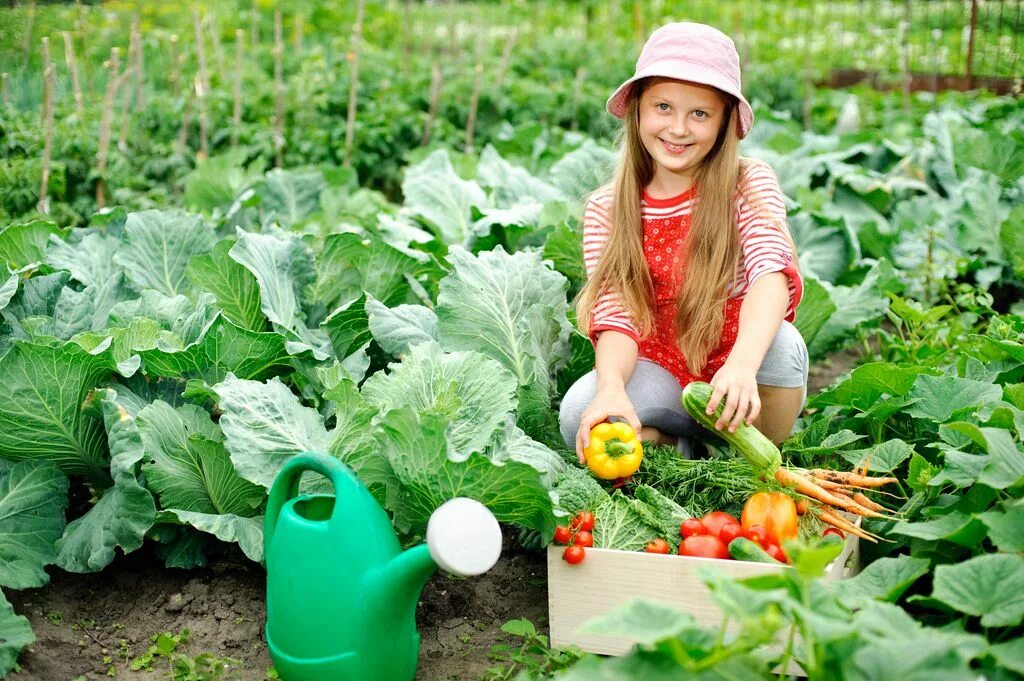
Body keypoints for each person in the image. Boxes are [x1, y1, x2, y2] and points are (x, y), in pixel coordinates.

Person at [559, 22, 809, 465]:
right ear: (638, 110)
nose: (677, 128)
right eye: (663, 106)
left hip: (737, 354)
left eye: (699, 113)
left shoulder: (746, 182)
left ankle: (752, 460)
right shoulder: (607, 208)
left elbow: (771, 271)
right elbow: (616, 313)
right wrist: (613, 388)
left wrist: (743, 364)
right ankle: (683, 446)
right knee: (581, 412)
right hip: (659, 365)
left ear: (724, 121)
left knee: (783, 346)